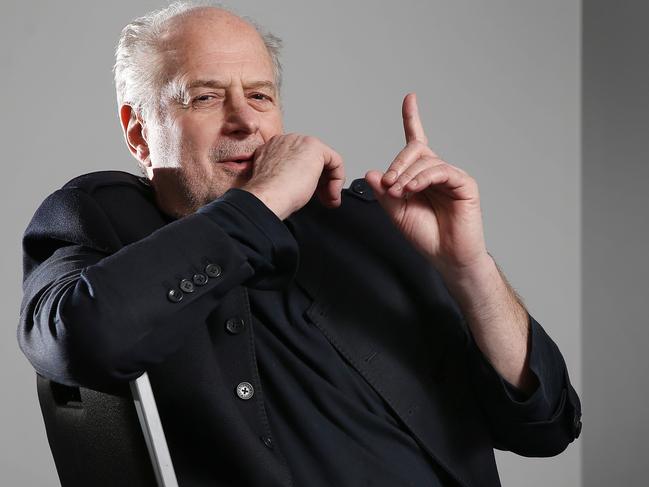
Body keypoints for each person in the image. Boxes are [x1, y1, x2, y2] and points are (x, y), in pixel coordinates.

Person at [18, 2, 582, 486]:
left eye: (260, 96)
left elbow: (547, 426)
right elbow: (75, 343)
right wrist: (259, 204)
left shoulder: (365, 220)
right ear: (139, 131)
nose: (244, 122)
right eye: (205, 98)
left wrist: (468, 268)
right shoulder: (99, 219)